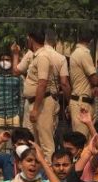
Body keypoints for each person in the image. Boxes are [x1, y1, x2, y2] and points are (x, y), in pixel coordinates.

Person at [10, 29, 60, 164]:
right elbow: (16, 71)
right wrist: (15, 54)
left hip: (42, 103)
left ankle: (49, 175)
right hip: (31, 103)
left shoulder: (43, 56)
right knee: (31, 140)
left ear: (31, 39)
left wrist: (36, 109)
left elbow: (42, 84)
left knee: (45, 141)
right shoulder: (32, 55)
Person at [69, 29, 98, 137]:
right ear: (91, 41)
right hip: (82, 103)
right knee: (81, 140)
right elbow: (94, 79)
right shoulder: (83, 54)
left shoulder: (76, 53)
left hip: (83, 100)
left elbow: (87, 79)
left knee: (89, 143)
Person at [0, 53, 23, 131]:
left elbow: (21, 96)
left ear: (11, 61)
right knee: (0, 142)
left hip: (14, 114)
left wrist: (20, 113)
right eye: (2, 60)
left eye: (7, 60)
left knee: (16, 140)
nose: (5, 62)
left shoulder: (17, 77)